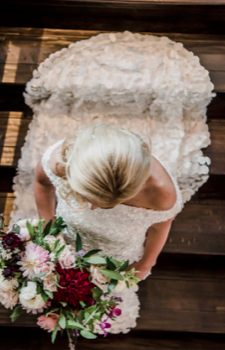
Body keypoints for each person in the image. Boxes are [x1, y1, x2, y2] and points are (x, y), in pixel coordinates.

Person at [33, 122, 183, 333]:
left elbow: (160, 227)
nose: (92, 208)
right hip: (68, 234)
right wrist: (48, 226)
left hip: (119, 246)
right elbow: (41, 183)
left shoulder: (162, 194)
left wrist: (147, 263)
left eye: (107, 205)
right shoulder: (63, 161)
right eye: (87, 197)